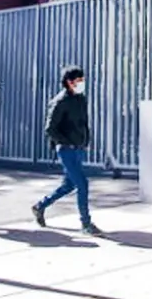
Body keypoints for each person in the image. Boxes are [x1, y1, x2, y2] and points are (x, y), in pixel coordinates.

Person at [31, 65, 104, 236]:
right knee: (82, 184)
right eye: (79, 81)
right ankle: (86, 224)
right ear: (69, 82)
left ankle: (40, 206)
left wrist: (85, 140)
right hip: (66, 150)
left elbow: (83, 122)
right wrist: (67, 141)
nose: (82, 83)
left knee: (68, 185)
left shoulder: (81, 98)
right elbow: (50, 129)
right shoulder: (59, 102)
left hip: (78, 149)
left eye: (83, 80)